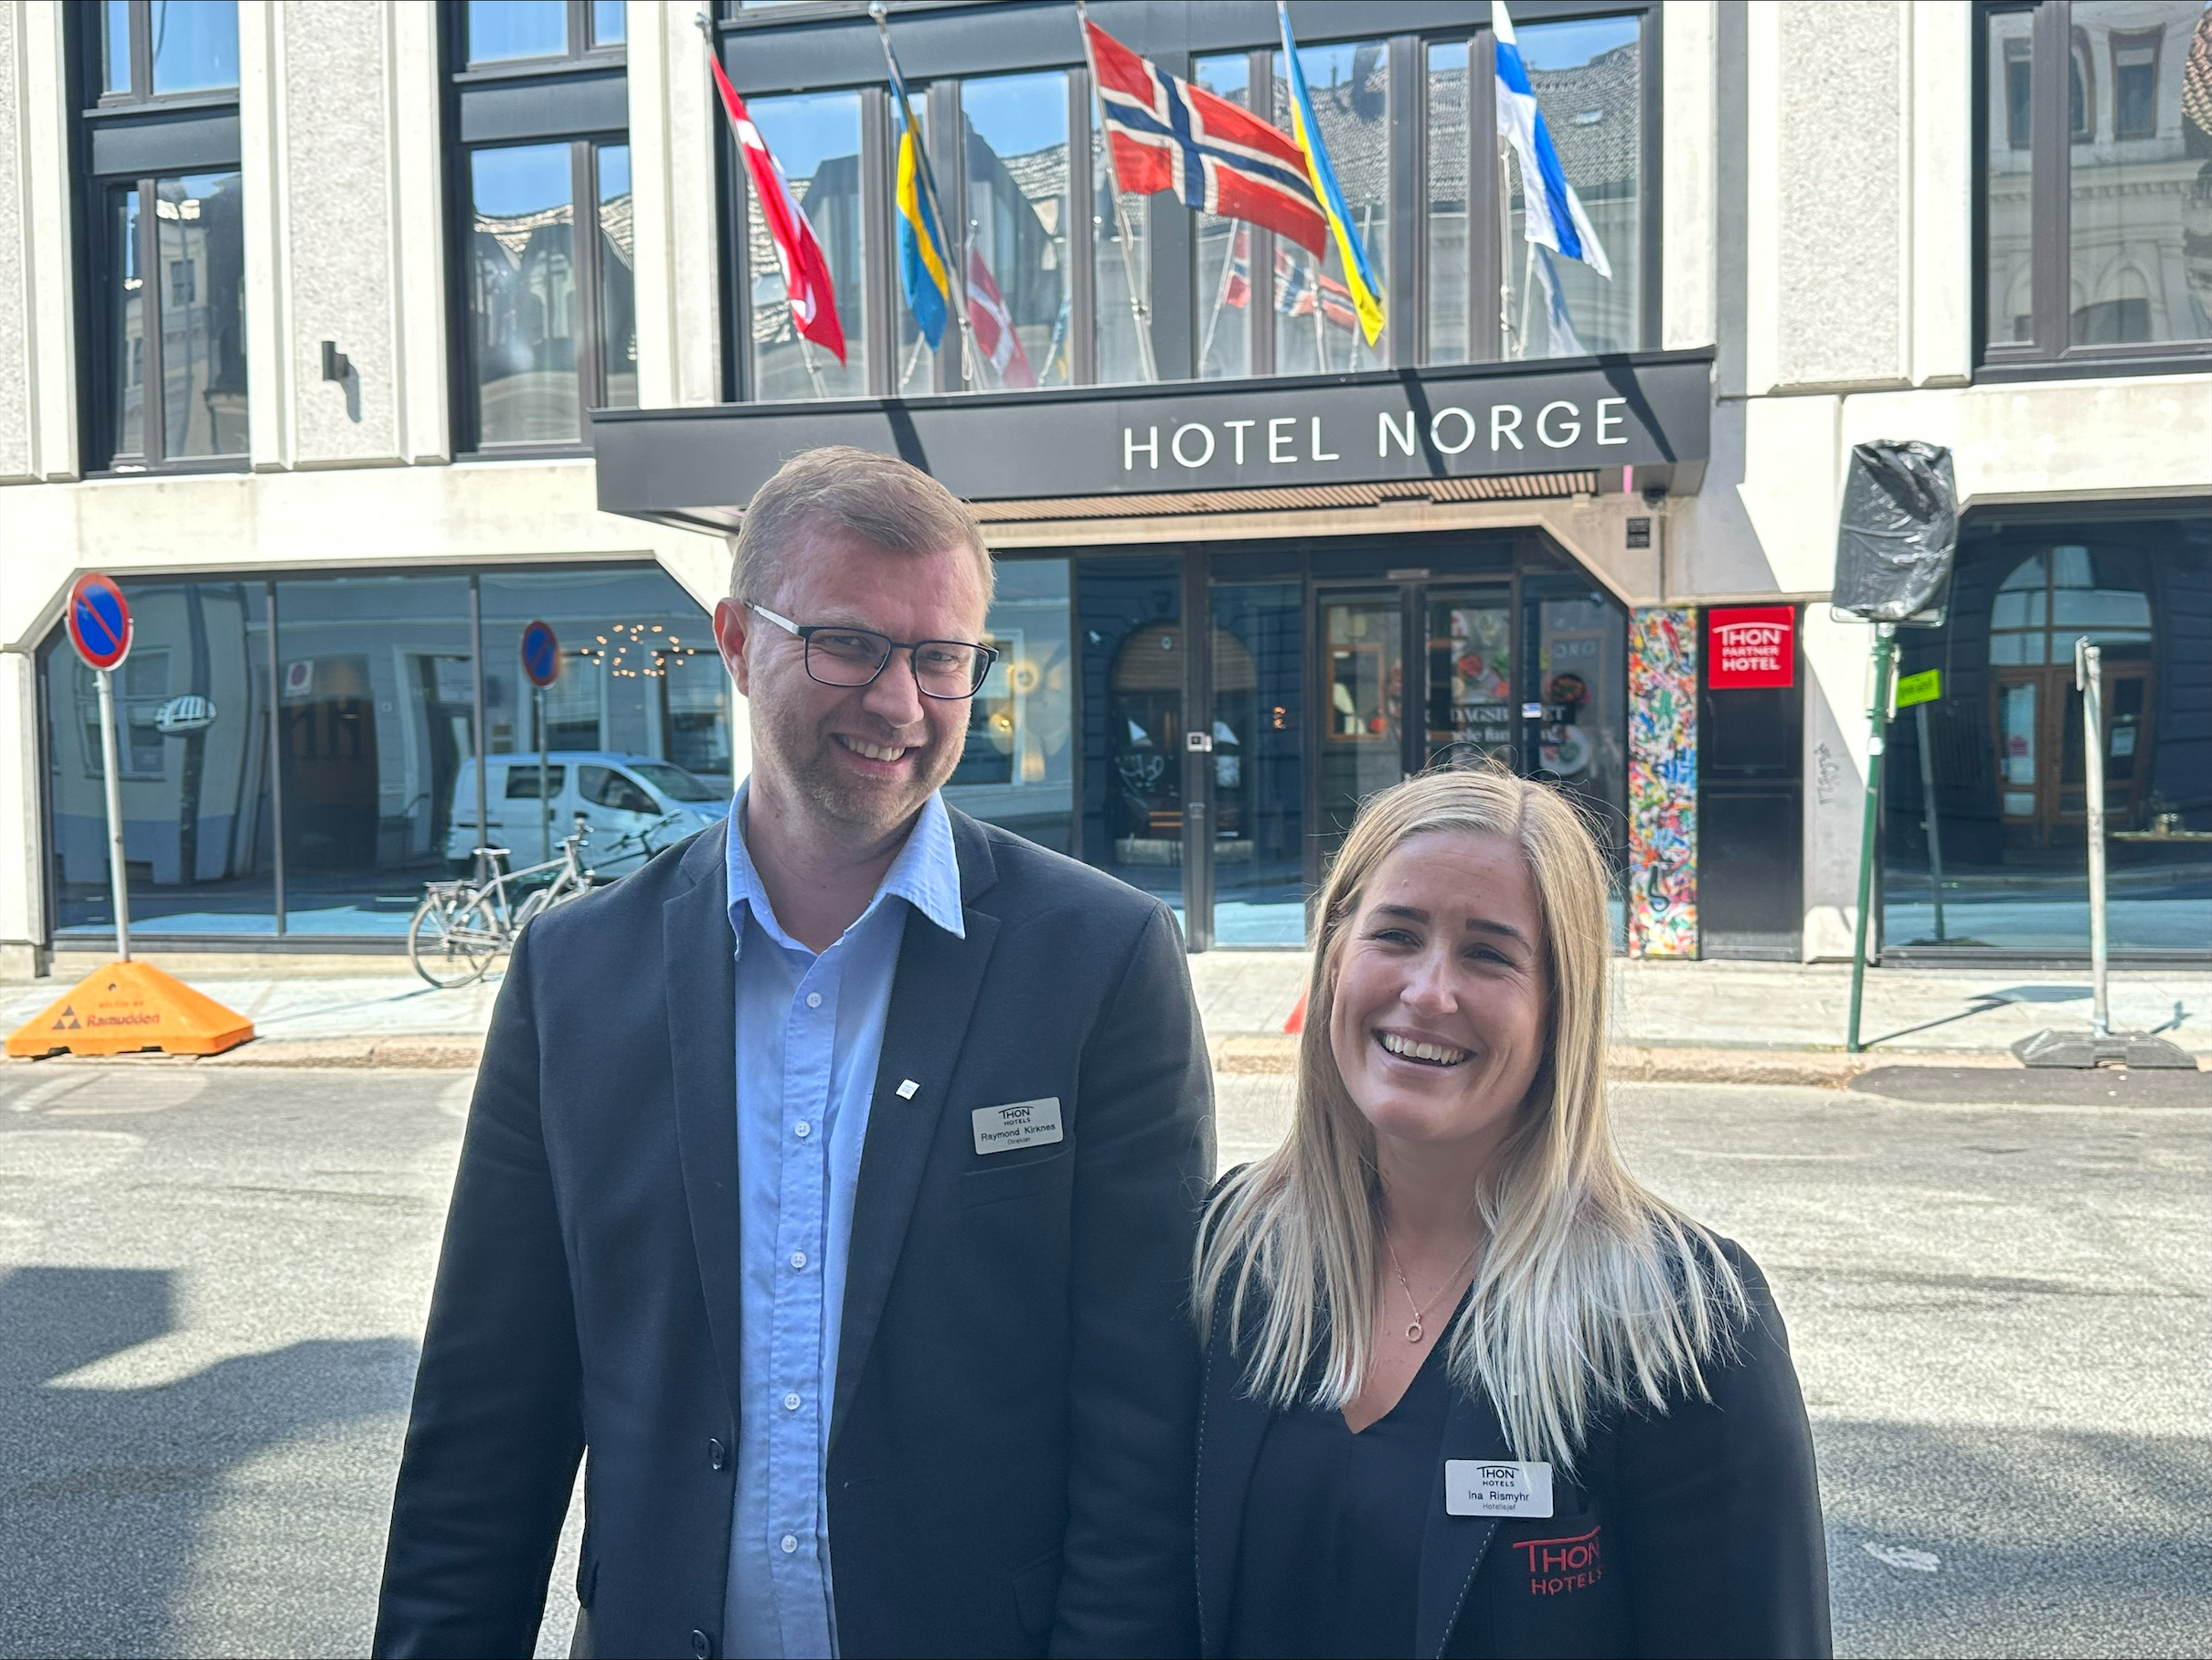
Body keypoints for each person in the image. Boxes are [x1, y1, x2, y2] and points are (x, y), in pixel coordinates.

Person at [374, 447, 1213, 1659]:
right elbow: (487, 1418)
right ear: (733, 640)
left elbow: (1144, 1423)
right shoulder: (574, 976)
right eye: (848, 644)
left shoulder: (1100, 961)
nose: (900, 702)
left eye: (941, 658)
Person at [1194, 766, 1829, 1659]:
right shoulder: (1228, 1254)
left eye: (1488, 954)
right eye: (1396, 934)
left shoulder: (1681, 1323)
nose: (1429, 991)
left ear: (1560, 1007)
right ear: (1334, 958)